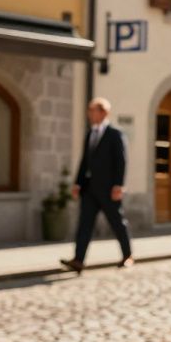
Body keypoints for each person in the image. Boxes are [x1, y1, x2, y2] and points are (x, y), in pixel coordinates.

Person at [61, 97, 132, 272]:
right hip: (90, 189)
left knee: (117, 223)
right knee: (84, 224)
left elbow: (121, 161)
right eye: (89, 110)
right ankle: (79, 259)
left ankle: (127, 255)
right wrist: (78, 183)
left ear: (104, 112)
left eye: (93, 110)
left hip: (109, 189)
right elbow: (85, 161)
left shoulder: (115, 134)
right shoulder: (90, 134)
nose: (89, 114)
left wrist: (118, 185)